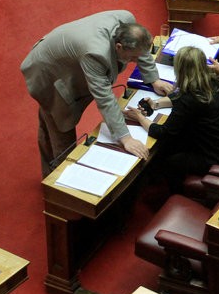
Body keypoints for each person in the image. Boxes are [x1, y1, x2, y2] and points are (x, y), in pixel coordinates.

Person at [22, 10, 173, 176]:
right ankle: (58, 181)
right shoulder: (95, 54)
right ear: (119, 47)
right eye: (132, 59)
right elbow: (105, 98)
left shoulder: (128, 21)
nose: (135, 62)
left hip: (69, 61)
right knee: (61, 125)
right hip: (50, 74)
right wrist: (126, 138)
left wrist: (153, 79)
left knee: (49, 117)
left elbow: (141, 50)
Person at [124, 46, 219, 192]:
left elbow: (162, 132)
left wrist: (139, 117)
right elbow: (188, 98)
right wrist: (156, 103)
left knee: (172, 162)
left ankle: (177, 193)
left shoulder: (188, 101)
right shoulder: (211, 81)